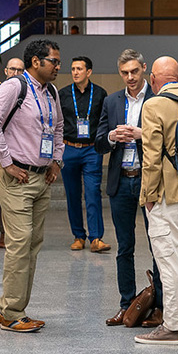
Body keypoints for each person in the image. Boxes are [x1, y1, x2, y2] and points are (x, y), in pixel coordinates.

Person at [0, 39, 64, 333]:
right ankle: (11, 312)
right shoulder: (16, 87)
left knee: (32, 244)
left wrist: (56, 160)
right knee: (19, 244)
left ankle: (12, 309)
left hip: (41, 176)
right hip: (16, 176)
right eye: (53, 61)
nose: (58, 66)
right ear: (36, 62)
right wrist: (6, 162)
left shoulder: (51, 91)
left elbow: (57, 128)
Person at [134, 56, 178, 345]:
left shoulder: (153, 105)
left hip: (168, 195)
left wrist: (148, 196)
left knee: (169, 260)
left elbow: (151, 157)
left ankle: (171, 327)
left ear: (153, 79)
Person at [96, 49, 163, 328]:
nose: (130, 77)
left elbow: (169, 139)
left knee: (157, 245)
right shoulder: (112, 102)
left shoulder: (158, 100)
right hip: (121, 179)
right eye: (124, 72)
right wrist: (112, 136)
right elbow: (99, 142)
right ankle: (127, 305)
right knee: (125, 247)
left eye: (135, 71)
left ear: (144, 68)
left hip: (150, 180)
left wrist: (140, 135)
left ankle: (159, 307)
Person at [57, 56, 110, 253]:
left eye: (79, 69)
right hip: (69, 148)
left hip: (91, 150)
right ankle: (78, 236)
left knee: (92, 193)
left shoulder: (100, 94)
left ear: (89, 72)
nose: (75, 72)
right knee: (72, 195)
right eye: (72, 69)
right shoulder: (62, 94)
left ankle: (96, 238)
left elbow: (105, 121)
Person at [0, 57, 26, 249]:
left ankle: (16, 231)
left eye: (20, 70)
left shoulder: (27, 92)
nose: (16, 73)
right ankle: (2, 231)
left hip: (20, 149)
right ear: (6, 71)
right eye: (12, 69)